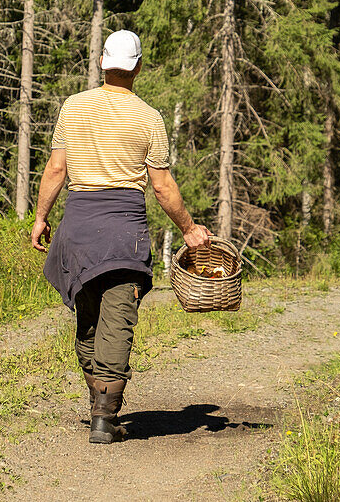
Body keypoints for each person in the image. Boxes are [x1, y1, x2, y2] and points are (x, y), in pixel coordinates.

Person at [30, 29, 212, 444]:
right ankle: (104, 414)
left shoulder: (73, 107)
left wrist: (41, 217)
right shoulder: (149, 117)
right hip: (123, 232)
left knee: (89, 319)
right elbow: (162, 186)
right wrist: (189, 229)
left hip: (77, 227)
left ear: (101, 63)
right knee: (118, 320)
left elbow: (56, 170)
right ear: (139, 67)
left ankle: (100, 404)